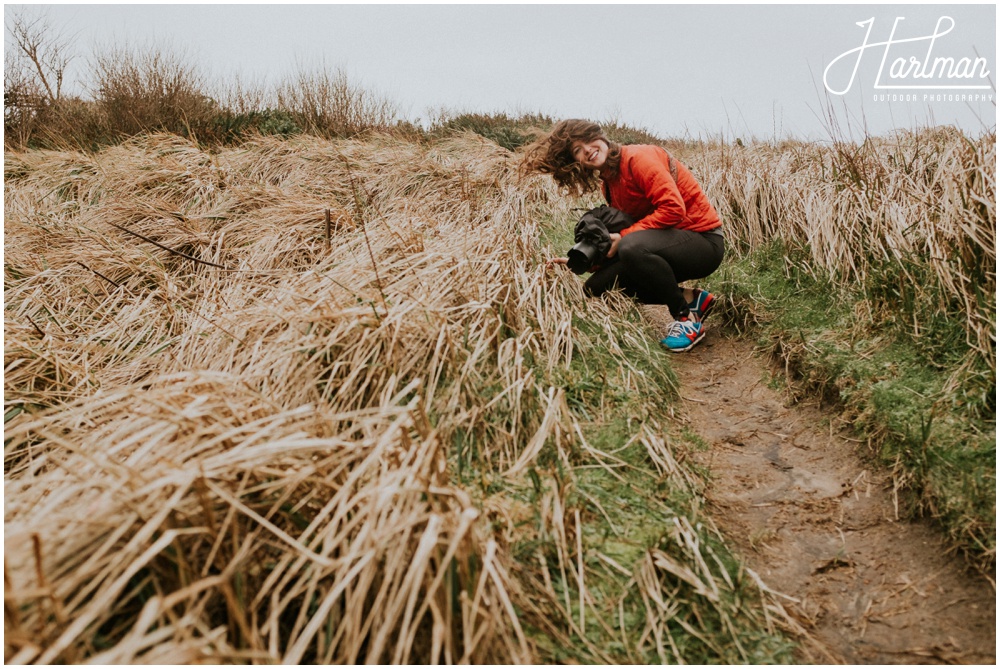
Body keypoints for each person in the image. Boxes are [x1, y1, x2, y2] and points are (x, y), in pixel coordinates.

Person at [521, 119, 724, 352]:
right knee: (597, 286)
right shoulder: (608, 183)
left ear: (600, 135)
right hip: (667, 242)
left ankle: (686, 320)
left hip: (704, 241)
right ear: (575, 161)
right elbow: (637, 234)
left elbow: (673, 209)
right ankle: (692, 299)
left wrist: (624, 237)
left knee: (631, 247)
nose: (587, 149)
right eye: (577, 150)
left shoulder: (638, 159)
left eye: (587, 140)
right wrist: (586, 264)